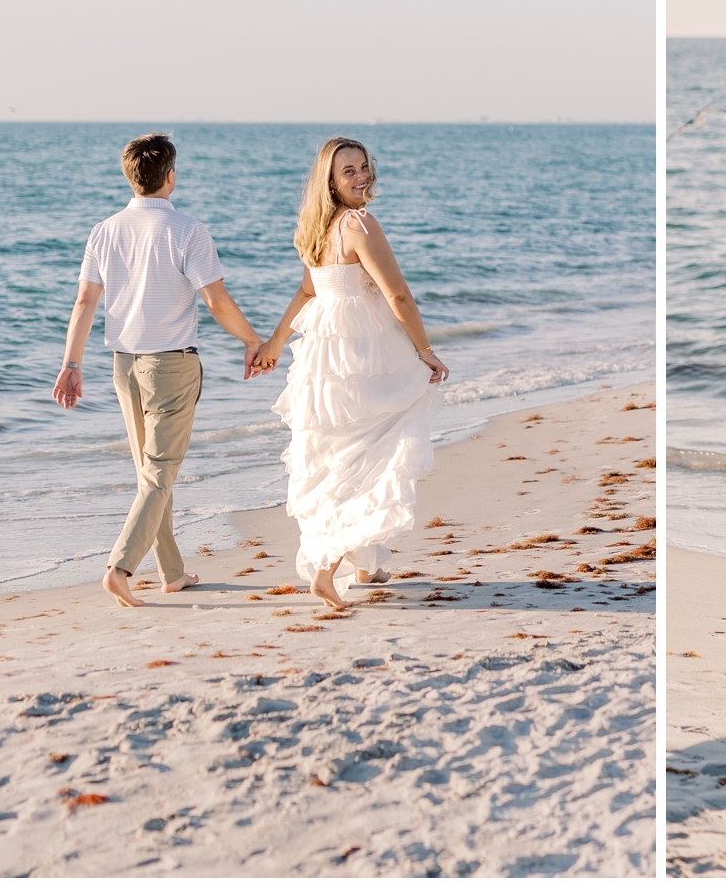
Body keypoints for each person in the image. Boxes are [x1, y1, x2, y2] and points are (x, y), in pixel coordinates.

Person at [54, 132, 271, 608]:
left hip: (123, 366)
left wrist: (71, 363)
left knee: (150, 474)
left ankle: (172, 573)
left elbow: (85, 301)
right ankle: (120, 566)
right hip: (170, 367)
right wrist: (253, 341)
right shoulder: (188, 230)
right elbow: (214, 299)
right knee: (158, 475)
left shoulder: (104, 230)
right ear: (170, 176)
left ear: (130, 177)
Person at [256, 137, 449, 611]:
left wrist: (276, 343)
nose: (361, 176)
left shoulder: (316, 227)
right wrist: (424, 351)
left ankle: (367, 565)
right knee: (372, 451)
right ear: (331, 180)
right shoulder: (360, 224)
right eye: (348, 171)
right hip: (361, 353)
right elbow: (398, 294)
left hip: (323, 356)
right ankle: (325, 572)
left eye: (364, 167)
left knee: (340, 453)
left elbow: (306, 293)